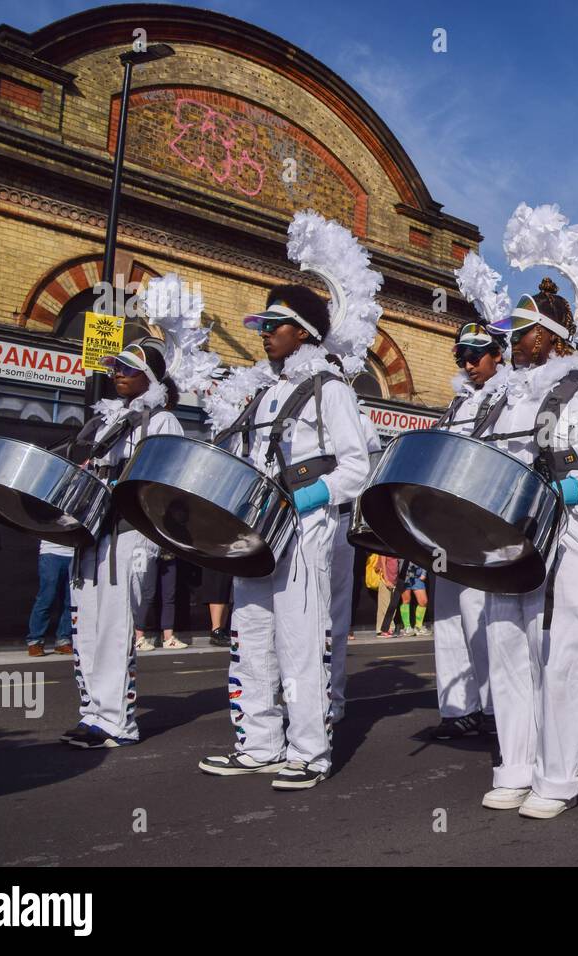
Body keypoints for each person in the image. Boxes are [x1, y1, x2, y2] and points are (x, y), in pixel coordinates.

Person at [478, 266, 578, 819]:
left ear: (552, 336)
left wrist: (568, 489)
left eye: (521, 331)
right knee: (507, 645)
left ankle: (560, 777)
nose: (512, 341)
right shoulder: (502, 399)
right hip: (509, 537)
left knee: (566, 654)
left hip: (573, 533)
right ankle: (516, 767)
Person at [198, 282, 369, 790]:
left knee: (299, 642)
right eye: (265, 326)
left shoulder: (330, 389)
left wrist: (311, 497)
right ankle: (259, 744)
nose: (266, 334)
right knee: (250, 639)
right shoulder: (265, 392)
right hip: (259, 530)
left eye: (276, 326)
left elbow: (358, 467)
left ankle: (310, 753)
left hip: (307, 529)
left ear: (306, 333)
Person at [62, 339, 184, 748]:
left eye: (128, 369)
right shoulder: (103, 420)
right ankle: (92, 714)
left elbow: (168, 481)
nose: (117, 374)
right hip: (91, 533)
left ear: (148, 377)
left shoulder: (162, 421)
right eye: (116, 367)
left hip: (129, 536)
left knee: (116, 629)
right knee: (87, 630)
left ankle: (117, 723)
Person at [429, 321, 509, 738]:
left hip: (483, 524)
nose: (468, 362)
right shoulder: (454, 406)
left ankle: (497, 707)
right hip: (448, 526)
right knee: (447, 617)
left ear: (499, 355)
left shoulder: (510, 400)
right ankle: (459, 707)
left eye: (476, 354)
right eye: (462, 355)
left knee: (481, 615)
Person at [327, 410, 381, 724]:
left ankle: (333, 696)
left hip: (340, 514)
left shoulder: (356, 417)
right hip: (296, 515)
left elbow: (368, 467)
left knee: (335, 613)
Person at [26, 539, 74, 657]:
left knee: (71, 600)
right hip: (51, 552)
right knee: (47, 598)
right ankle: (35, 641)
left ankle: (63, 640)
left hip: (75, 554)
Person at [398, 562, 429, 636]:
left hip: (417, 576)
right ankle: (407, 627)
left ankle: (418, 627)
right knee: (406, 600)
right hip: (405, 575)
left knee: (423, 601)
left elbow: (424, 558)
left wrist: (424, 573)